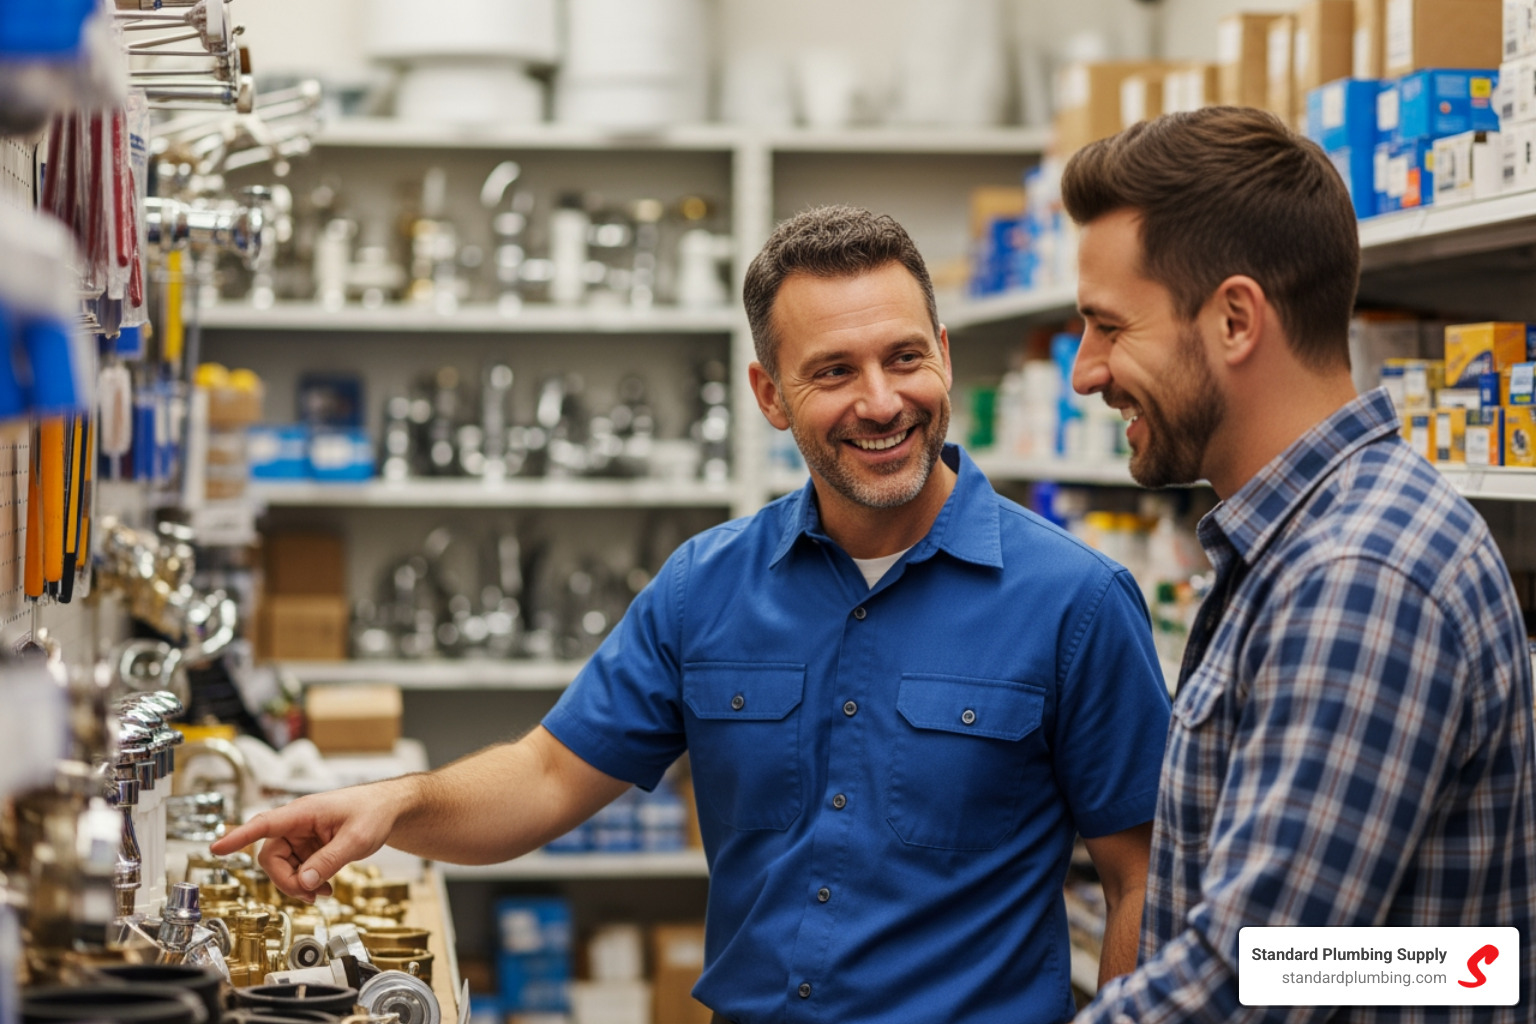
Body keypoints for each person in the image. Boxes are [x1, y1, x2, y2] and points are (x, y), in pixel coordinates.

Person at [214, 205, 1172, 1024]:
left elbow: (1142, 879)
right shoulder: (705, 587)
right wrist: (395, 805)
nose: (882, 402)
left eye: (905, 358)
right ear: (770, 395)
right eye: (834, 372)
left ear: (945, 357)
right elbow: (546, 776)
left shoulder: (1075, 601)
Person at [1064, 107, 1536, 1022]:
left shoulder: (1358, 575)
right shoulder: (1302, 543)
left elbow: (1250, 980)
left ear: (1235, 318)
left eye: (1109, 327)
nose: (1086, 372)